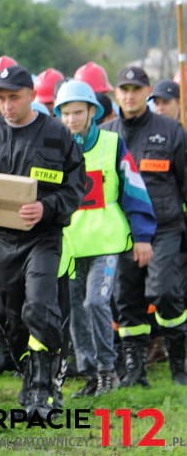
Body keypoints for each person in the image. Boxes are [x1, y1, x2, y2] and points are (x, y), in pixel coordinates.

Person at [0, 64, 85, 418]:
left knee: (39, 310)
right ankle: (31, 377)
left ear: (31, 95)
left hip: (43, 239)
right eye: (0, 98)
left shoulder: (57, 134)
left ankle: (46, 391)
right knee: (9, 319)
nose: (7, 106)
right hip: (1, 241)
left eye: (15, 97)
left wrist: (46, 208)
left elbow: (76, 188)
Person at [53, 79, 156, 397]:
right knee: (76, 311)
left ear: (92, 112)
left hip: (107, 243)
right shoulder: (54, 149)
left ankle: (109, 370)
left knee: (95, 301)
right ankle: (90, 374)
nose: (71, 119)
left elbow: (135, 190)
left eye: (78, 112)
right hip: (70, 245)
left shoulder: (113, 145)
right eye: (65, 113)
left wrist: (142, 236)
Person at [101, 66, 187, 386]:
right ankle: (135, 370)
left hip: (164, 229)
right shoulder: (106, 135)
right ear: (116, 94)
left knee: (165, 293)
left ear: (147, 91)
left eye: (136, 89)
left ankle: (179, 363)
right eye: (124, 89)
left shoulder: (171, 131)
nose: (129, 95)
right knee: (126, 301)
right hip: (120, 231)